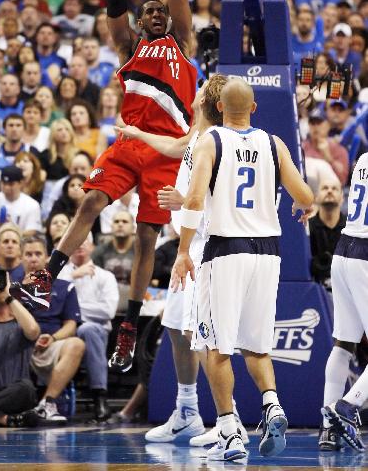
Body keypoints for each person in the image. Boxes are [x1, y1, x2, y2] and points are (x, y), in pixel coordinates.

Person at [45, 0, 197, 373]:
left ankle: (128, 326)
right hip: (130, 143)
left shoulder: (182, 42)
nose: (155, 13)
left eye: (159, 11)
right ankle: (45, 276)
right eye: (147, 10)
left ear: (167, 19)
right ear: (139, 19)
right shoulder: (129, 44)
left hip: (166, 149)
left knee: (147, 238)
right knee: (90, 200)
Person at [171, 78, 314, 462]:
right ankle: (272, 404)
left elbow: (196, 198)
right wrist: (306, 207)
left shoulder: (210, 142)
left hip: (225, 250)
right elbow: (305, 195)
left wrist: (184, 250)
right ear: (254, 108)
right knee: (257, 345)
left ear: (219, 108)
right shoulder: (274, 143)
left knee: (217, 348)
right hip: (268, 253)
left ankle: (230, 431)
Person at [119, 76, 249, 447]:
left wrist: (184, 202)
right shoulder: (196, 134)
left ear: (209, 100)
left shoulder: (221, 142)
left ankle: (230, 419)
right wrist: (137, 133)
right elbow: (174, 145)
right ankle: (188, 412)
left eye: (201, 90)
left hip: (208, 247)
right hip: (188, 248)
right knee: (176, 326)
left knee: (200, 333)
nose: (192, 95)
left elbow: (223, 200)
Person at [320, 151, 368, 453]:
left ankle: (328, 430)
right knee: (344, 344)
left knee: (344, 343)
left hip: (345, 248)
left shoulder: (363, 157)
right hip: (365, 256)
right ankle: (348, 406)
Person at [22, 234, 85, 423]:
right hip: (20, 345)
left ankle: (47, 404)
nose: (33, 258)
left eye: (37, 253)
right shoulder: (9, 285)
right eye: (28, 254)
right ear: (21, 258)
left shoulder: (65, 287)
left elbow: (71, 325)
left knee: (76, 344)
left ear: (47, 257)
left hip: (50, 344)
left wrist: (53, 338)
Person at [59, 235, 119, 423]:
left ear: (92, 246)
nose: (79, 245)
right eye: (75, 242)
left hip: (95, 332)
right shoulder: (60, 275)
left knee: (89, 329)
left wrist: (73, 311)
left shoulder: (106, 276)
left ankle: (99, 397)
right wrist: (73, 276)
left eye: (83, 241)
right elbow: (52, 305)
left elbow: (108, 311)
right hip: (61, 330)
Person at [0, 271, 40, 428]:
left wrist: (9, 296)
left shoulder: (21, 323)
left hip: (17, 393)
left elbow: (33, 331)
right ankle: (3, 419)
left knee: (27, 387)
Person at [92, 211, 135, 313]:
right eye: (116, 222)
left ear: (133, 228)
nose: (120, 224)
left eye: (125, 222)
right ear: (111, 226)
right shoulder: (99, 251)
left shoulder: (141, 252)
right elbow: (94, 279)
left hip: (133, 300)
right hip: (105, 299)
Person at [309, 178, 345, 289]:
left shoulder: (351, 230)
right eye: (325, 188)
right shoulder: (306, 229)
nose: (329, 191)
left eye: (334, 189)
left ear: (342, 198)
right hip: (314, 291)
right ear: (316, 197)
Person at [0, 165, 42, 232]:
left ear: (21, 183)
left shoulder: (32, 205)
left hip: (22, 241)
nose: (7, 187)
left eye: (11, 184)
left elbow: (32, 231)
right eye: (4, 183)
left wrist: (12, 229)